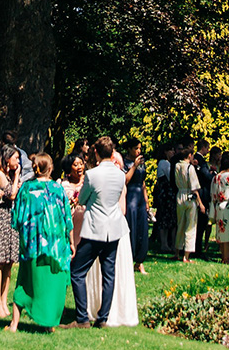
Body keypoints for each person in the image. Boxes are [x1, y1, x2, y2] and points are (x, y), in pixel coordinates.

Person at [7, 154, 74, 333]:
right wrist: (72, 242)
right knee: (51, 284)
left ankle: (14, 324)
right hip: (55, 247)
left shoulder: (26, 189)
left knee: (24, 281)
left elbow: (17, 218)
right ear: (50, 168)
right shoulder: (58, 189)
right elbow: (67, 219)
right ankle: (49, 324)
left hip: (31, 245)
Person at [72, 136, 131, 327]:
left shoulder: (92, 174)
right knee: (109, 273)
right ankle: (103, 317)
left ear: (96, 152)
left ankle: (82, 317)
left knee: (77, 271)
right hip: (113, 227)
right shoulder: (121, 174)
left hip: (95, 227)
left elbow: (82, 198)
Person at [0, 145, 23, 319]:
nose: (17, 162)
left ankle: (4, 300)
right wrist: (17, 176)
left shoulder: (10, 175)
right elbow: (10, 194)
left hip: (12, 218)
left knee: (9, 263)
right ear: (7, 158)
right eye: (15, 158)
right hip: (1, 218)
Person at [123, 140, 151, 274]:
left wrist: (146, 199)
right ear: (129, 149)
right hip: (130, 197)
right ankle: (129, 258)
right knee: (132, 227)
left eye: (140, 148)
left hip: (140, 196)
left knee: (142, 228)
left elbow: (143, 180)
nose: (138, 151)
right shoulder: (125, 163)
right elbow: (125, 180)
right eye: (136, 148)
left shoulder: (142, 162)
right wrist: (134, 166)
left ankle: (140, 261)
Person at [210, 152, 229, 264]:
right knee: (227, 234)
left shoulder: (215, 178)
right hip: (228, 206)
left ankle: (223, 256)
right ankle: (226, 258)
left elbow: (212, 194)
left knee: (221, 232)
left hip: (218, 205)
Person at [173, 150, 201, 261]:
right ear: (189, 155)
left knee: (180, 224)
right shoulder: (190, 168)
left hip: (180, 194)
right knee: (190, 226)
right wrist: (200, 202)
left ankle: (177, 251)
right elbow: (194, 187)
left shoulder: (177, 166)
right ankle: (186, 255)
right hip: (189, 196)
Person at [151, 147, 174, 254]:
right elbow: (170, 177)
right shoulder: (164, 163)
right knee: (165, 218)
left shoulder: (164, 163)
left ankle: (167, 243)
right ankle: (164, 243)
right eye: (171, 150)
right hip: (166, 194)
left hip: (166, 194)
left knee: (167, 218)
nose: (172, 152)